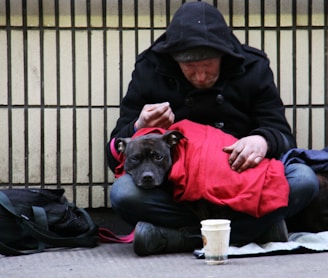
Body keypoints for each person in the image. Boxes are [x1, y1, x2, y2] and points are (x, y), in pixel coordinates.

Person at [106, 2, 319, 256]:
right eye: (190, 69)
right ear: (174, 61)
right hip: (178, 192)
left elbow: (282, 135)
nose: (200, 77)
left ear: (223, 56)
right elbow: (115, 153)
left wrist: (262, 140)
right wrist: (140, 125)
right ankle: (254, 230)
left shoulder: (253, 66)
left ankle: (178, 238)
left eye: (208, 67)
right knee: (123, 193)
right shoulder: (151, 68)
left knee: (304, 179)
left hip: (240, 183)